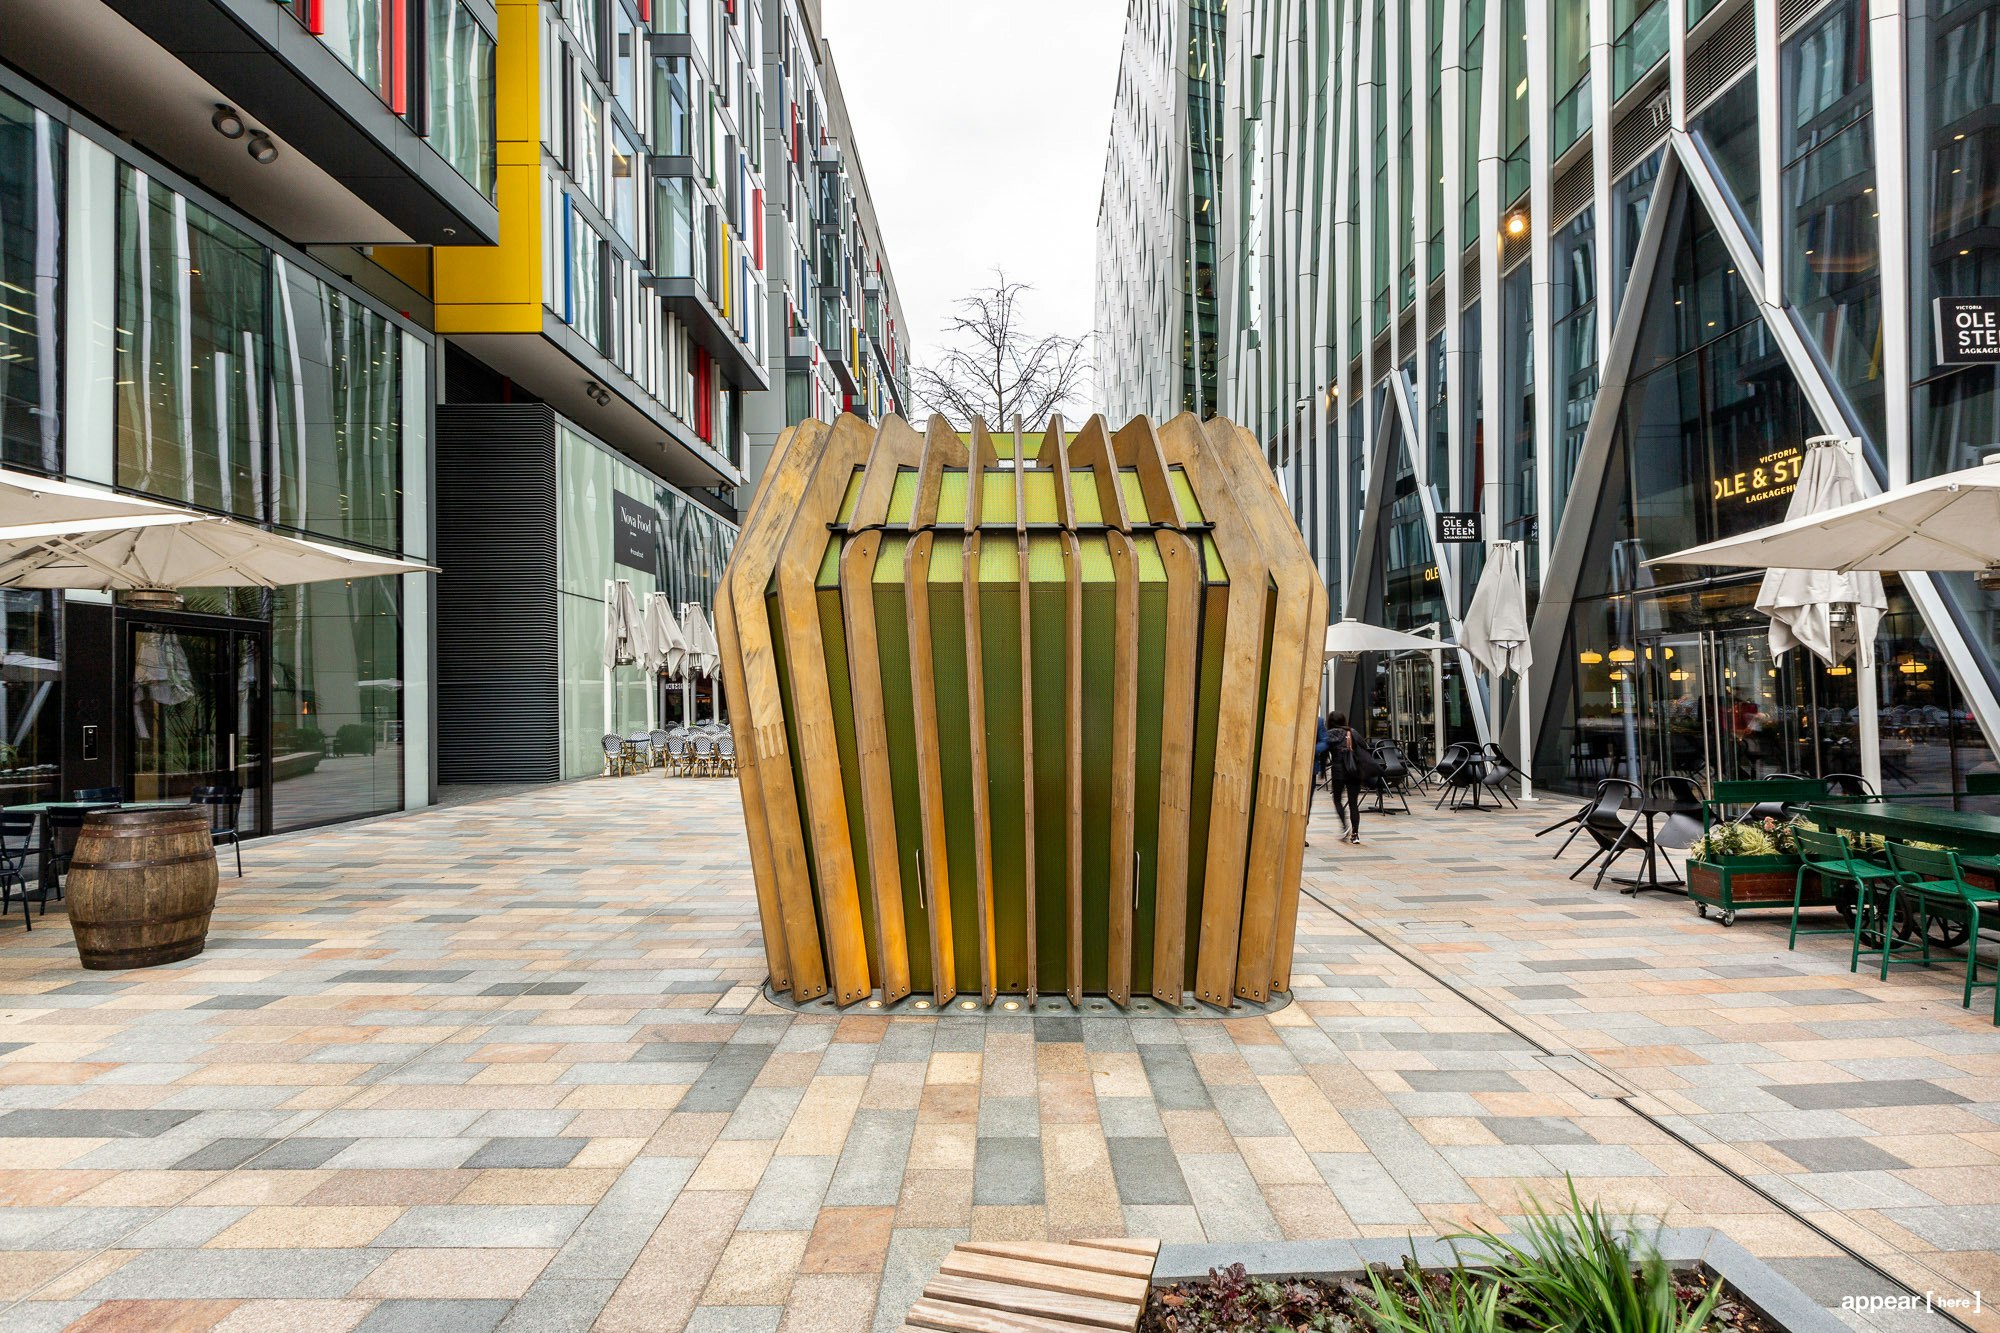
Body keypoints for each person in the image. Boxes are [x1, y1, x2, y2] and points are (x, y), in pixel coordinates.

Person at [1325, 710, 1366, 844]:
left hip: (1338, 771)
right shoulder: (1352, 732)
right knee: (1353, 802)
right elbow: (1364, 747)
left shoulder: (1329, 735)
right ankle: (1355, 834)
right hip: (1354, 770)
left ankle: (1344, 825)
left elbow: (1324, 753)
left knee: (1337, 799)